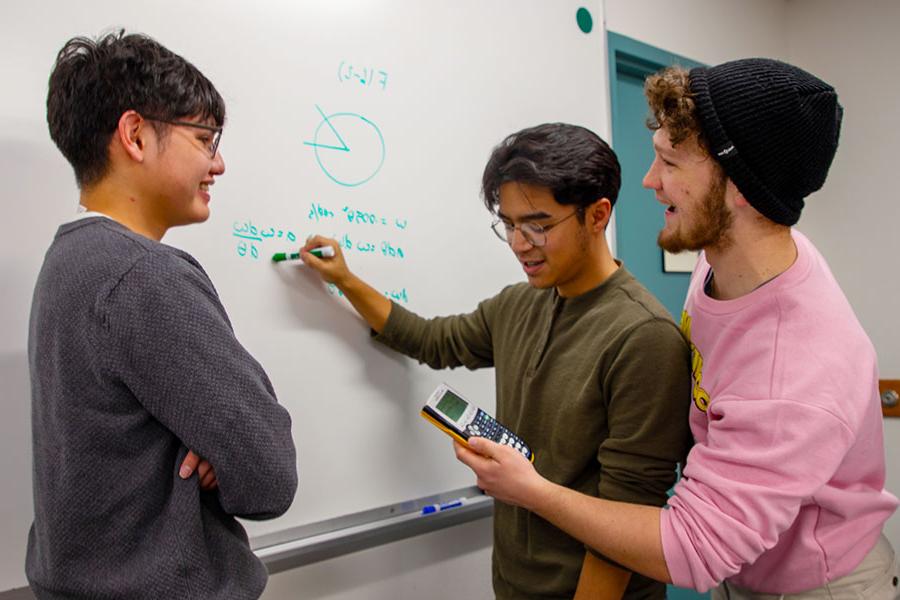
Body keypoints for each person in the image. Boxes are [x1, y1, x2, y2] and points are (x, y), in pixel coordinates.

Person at [454, 59, 900, 598]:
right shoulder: (722, 263)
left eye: (669, 161)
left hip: (819, 585)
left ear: (740, 186)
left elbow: (690, 548)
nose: (648, 180)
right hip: (749, 565)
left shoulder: (796, 366)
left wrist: (531, 490)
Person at [299, 122, 692, 599]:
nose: (519, 243)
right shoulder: (518, 304)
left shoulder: (644, 336)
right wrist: (346, 279)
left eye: (539, 226)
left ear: (597, 215)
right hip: (514, 585)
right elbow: (430, 340)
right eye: (508, 224)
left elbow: (629, 520)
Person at [27, 31, 298, 599]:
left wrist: (216, 446)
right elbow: (270, 476)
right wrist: (228, 452)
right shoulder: (142, 275)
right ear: (135, 135)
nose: (217, 163)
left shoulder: (69, 258)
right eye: (204, 139)